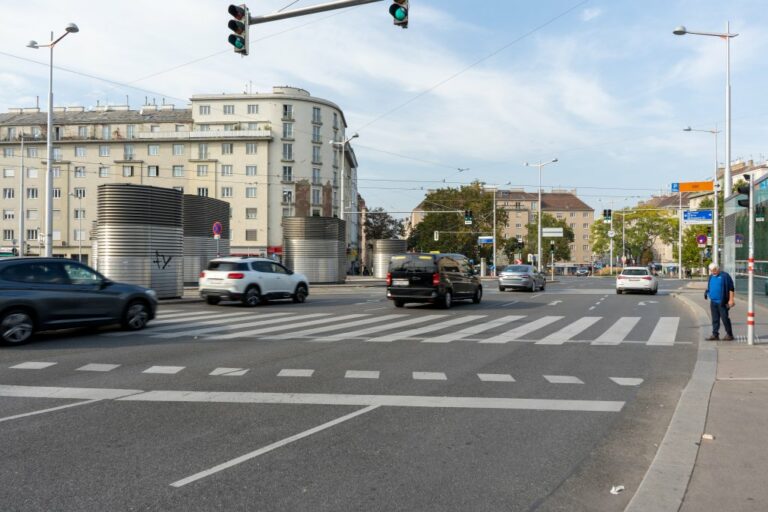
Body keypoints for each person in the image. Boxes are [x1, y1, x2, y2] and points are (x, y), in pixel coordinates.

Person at [704, 262, 735, 341]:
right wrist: (707, 293)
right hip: (713, 302)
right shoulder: (711, 277)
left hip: (722, 302)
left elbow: (731, 288)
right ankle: (715, 335)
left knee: (725, 318)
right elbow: (710, 287)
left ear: (718, 268)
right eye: (711, 270)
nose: (713, 272)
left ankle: (729, 334)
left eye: (714, 270)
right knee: (715, 319)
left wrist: (731, 300)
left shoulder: (725, 276)